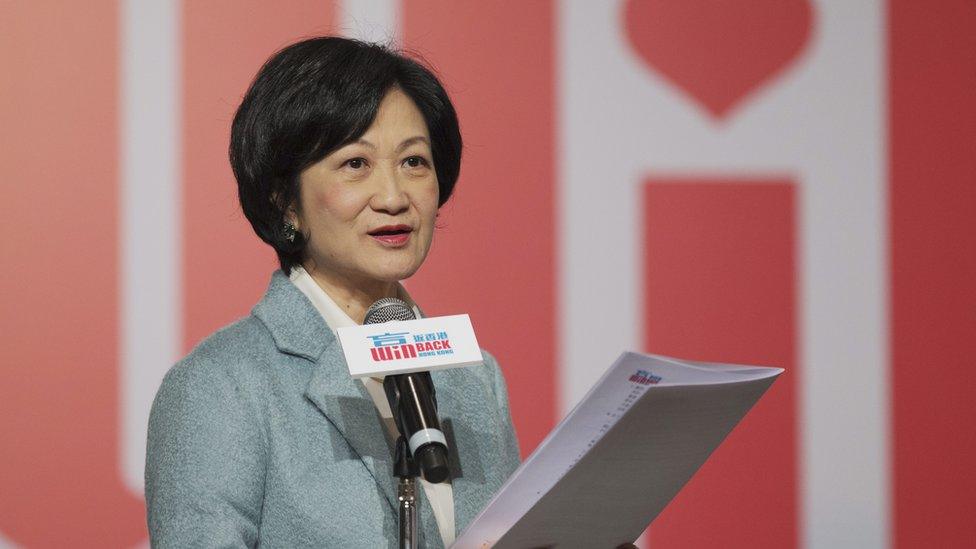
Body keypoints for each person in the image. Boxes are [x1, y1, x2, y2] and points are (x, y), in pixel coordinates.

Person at [144, 36, 521, 548]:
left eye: (414, 162)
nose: (393, 197)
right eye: (355, 164)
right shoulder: (222, 386)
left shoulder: (475, 376)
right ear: (285, 202)